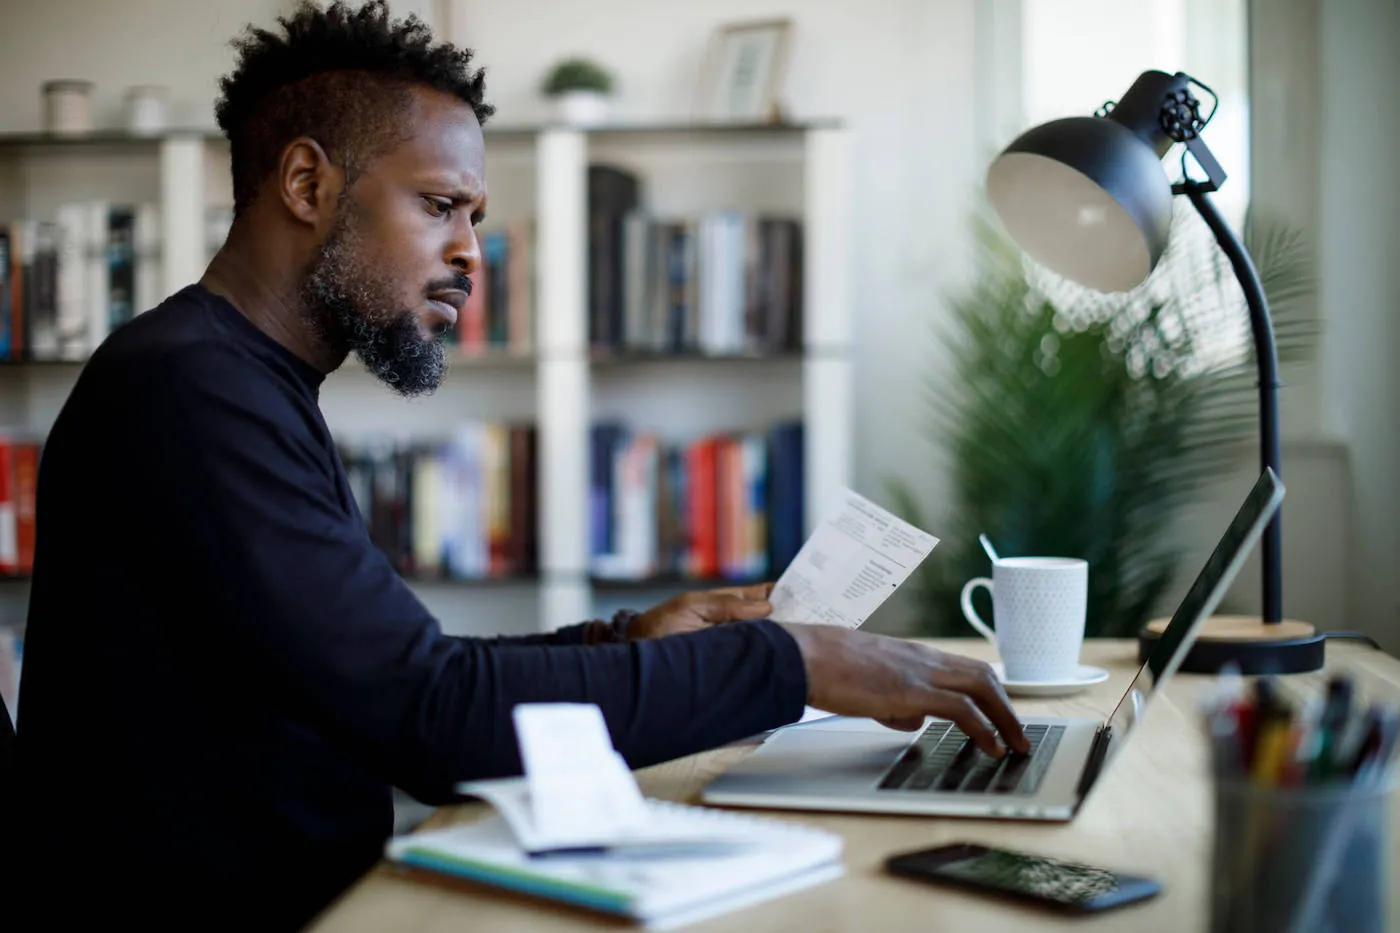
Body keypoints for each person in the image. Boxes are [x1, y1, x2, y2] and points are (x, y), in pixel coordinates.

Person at [12, 1, 1027, 928]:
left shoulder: (236, 381)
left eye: (476, 221)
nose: (470, 254)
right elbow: (430, 720)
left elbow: (396, 682)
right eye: (440, 205)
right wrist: (792, 662)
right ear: (307, 183)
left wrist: (624, 636)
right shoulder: (189, 393)